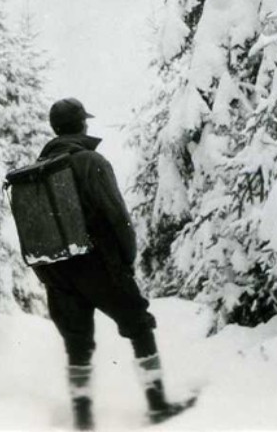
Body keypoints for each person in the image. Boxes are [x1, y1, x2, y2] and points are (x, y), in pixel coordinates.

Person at [32, 97, 192, 430]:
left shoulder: (37, 170)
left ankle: (83, 418)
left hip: (58, 271)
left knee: (77, 343)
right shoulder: (92, 161)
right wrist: (127, 260)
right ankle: (158, 403)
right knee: (139, 326)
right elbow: (117, 217)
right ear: (82, 125)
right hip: (98, 265)